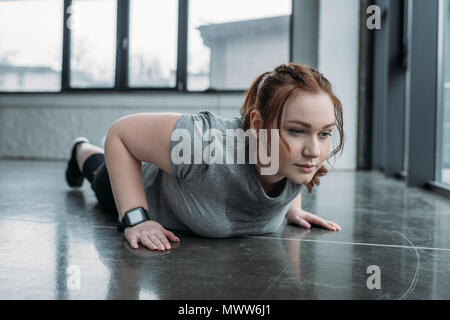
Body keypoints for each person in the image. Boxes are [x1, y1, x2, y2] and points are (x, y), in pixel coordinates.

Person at [65, 62, 344, 252]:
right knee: (98, 169)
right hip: (139, 182)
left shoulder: (296, 159)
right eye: (297, 131)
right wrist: (137, 219)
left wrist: (291, 208)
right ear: (258, 125)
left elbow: (291, 160)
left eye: (324, 134)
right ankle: (81, 149)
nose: (314, 151)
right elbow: (121, 133)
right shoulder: (205, 143)